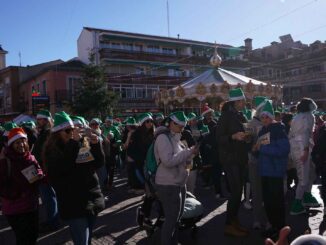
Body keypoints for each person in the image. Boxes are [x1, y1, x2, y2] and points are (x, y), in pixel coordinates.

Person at [44, 111, 105, 245]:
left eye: (73, 130)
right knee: (82, 240)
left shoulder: (81, 144)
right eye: (67, 131)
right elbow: (61, 169)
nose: (72, 133)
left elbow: (98, 164)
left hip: (91, 198)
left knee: (87, 239)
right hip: (73, 202)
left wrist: (95, 145)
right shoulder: (52, 151)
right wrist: (73, 143)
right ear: (57, 133)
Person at [155, 111, 199, 245]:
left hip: (178, 183)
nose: (182, 129)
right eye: (180, 126)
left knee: (176, 219)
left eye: (183, 126)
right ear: (172, 123)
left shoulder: (175, 137)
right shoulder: (163, 138)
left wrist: (191, 154)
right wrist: (188, 152)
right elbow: (168, 161)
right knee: (171, 220)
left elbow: (181, 159)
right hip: (168, 184)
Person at [253, 100, 290, 239]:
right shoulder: (263, 130)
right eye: (262, 117)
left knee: (277, 202)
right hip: (265, 171)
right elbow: (261, 150)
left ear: (272, 117)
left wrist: (262, 148)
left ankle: (281, 230)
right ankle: (274, 227)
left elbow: (283, 150)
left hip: (275, 171)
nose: (264, 119)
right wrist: (255, 149)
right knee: (268, 202)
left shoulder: (278, 129)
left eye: (267, 117)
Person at [216, 88, 250, 237]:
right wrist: (232, 137)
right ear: (235, 102)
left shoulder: (239, 115)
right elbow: (219, 139)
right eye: (242, 100)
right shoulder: (225, 116)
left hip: (240, 157)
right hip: (231, 159)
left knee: (239, 192)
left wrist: (247, 137)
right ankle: (229, 224)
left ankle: (234, 221)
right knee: (236, 192)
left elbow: (243, 134)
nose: (244, 103)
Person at [0, 127, 43, 245]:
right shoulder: (6, 160)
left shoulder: (30, 157)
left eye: (24, 141)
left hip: (31, 205)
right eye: (18, 142)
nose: (22, 145)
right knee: (23, 239)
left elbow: (38, 171)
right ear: (11, 145)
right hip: (15, 208)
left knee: (33, 236)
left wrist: (39, 175)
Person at [289, 98, 320, 215]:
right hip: (302, 150)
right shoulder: (308, 116)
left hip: (297, 150)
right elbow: (306, 134)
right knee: (303, 178)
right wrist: (306, 150)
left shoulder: (297, 117)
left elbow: (292, 135)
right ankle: (296, 205)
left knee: (308, 174)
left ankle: (306, 197)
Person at [32, 109, 61, 232]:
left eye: (40, 119)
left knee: (49, 197)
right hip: (43, 169)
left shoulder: (49, 133)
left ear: (46, 120)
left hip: (45, 170)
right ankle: (51, 220)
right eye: (38, 119)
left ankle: (53, 222)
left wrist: (44, 168)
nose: (38, 121)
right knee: (48, 197)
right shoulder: (44, 132)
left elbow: (47, 153)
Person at [247, 96, 269, 230]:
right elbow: (247, 143)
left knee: (266, 192)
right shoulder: (251, 124)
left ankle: (267, 220)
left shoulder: (269, 124)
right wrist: (251, 144)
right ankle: (256, 219)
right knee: (256, 191)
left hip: (267, 161)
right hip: (255, 161)